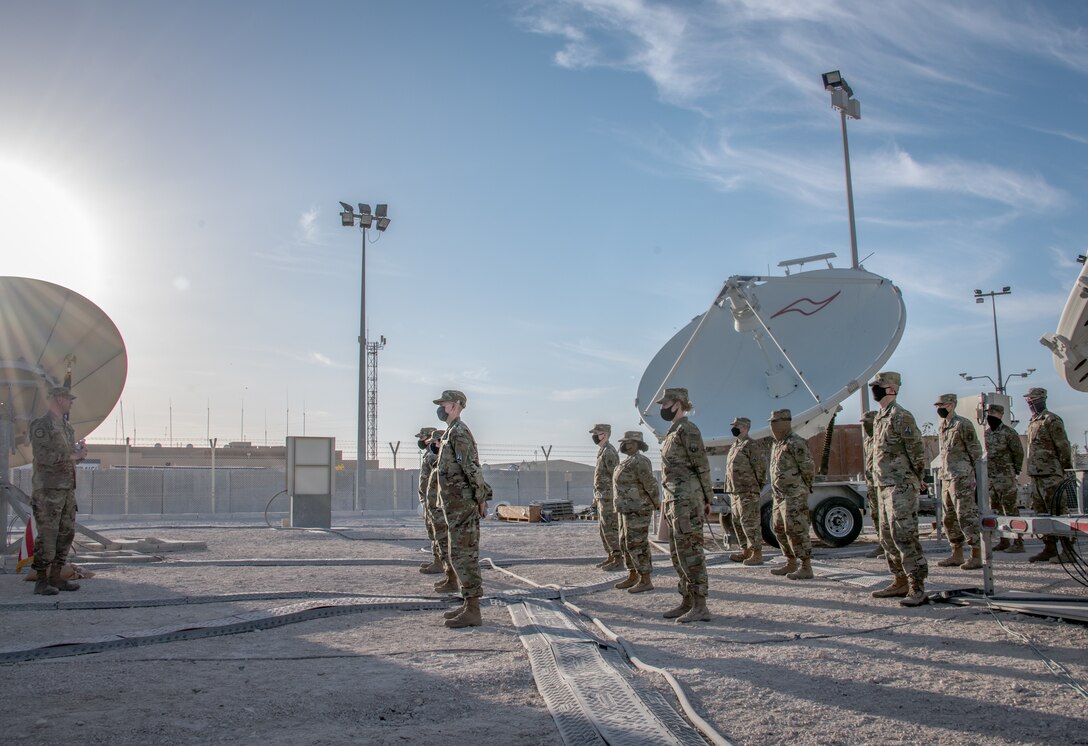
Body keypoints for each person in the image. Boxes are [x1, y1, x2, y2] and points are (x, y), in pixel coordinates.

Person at [868, 372, 929, 607]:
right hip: (883, 484)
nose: (875, 389)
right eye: (874, 386)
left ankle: (917, 585)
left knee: (904, 534)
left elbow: (916, 451)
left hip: (901, 484)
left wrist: (918, 477)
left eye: (879, 386)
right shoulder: (880, 418)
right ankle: (899, 580)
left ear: (891, 388)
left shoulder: (901, 416)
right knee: (886, 535)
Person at [656, 387, 714, 623]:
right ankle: (687, 601)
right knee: (678, 553)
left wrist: (707, 498)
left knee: (691, 552)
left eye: (665, 404)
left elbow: (701, 464)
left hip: (687, 499)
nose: (662, 409)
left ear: (678, 403)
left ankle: (701, 605)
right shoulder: (672, 432)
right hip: (674, 499)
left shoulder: (688, 429)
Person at [433, 390, 491, 628]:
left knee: (465, 555)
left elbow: (472, 468)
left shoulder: (459, 432)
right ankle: (468, 604)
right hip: (453, 504)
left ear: (455, 406)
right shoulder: (449, 432)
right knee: (457, 554)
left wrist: (480, 498)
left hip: (462, 505)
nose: (441, 407)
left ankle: (473, 609)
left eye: (444, 403)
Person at [29, 386, 87, 595]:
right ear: (57, 399)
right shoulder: (41, 426)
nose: (71, 402)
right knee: (48, 536)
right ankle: (41, 581)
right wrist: (71, 456)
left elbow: (68, 458)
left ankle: (56, 577)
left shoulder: (66, 427)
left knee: (65, 535)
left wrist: (79, 455)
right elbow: (43, 457)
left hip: (66, 489)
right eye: (67, 399)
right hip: (48, 491)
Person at [1023, 387, 1074, 563]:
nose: (1030, 403)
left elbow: (1063, 446)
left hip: (1051, 474)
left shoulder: (1051, 420)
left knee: (1059, 512)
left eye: (1034, 399)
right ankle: (1049, 548)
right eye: (1028, 400)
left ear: (1043, 399)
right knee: (1041, 514)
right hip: (1036, 475)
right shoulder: (1033, 421)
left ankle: (1068, 550)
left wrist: (1066, 470)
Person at [933, 393, 984, 571]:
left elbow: (975, 452)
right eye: (937, 405)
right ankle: (957, 553)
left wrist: (977, 478)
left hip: (962, 477)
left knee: (966, 516)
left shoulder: (963, 424)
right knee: (949, 518)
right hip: (947, 477)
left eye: (943, 404)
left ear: (952, 405)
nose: (939, 408)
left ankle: (977, 554)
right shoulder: (943, 426)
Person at [767, 409, 816, 580]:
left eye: (775, 422)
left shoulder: (796, 442)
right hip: (779, 495)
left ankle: (805, 566)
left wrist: (804, 487)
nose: (772, 425)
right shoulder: (777, 444)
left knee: (796, 529)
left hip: (794, 494)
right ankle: (790, 561)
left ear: (785, 422)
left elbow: (808, 468)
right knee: (779, 528)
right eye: (771, 422)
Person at [611, 430, 660, 594]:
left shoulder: (640, 461)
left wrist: (656, 503)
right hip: (626, 508)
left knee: (637, 543)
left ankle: (645, 579)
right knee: (625, 541)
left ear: (636, 443)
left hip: (639, 508)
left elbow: (651, 485)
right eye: (622, 442)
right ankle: (632, 575)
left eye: (627, 442)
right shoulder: (627, 461)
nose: (623, 445)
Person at [725, 416, 769, 566]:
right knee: (737, 522)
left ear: (744, 427)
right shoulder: (735, 445)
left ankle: (757, 553)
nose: (733, 428)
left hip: (748, 491)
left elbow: (761, 468)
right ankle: (745, 551)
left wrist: (756, 486)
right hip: (735, 491)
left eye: (736, 426)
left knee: (749, 522)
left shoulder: (751, 445)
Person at [984, 403, 1025, 553]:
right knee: (997, 511)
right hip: (992, 478)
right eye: (988, 413)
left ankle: (1018, 542)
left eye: (993, 414)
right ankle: (1004, 540)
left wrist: (1015, 471)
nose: (990, 417)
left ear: (1000, 415)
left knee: (1011, 510)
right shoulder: (988, 433)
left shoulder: (1009, 433)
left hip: (1006, 476)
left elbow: (1018, 453)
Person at [590, 424, 622, 570]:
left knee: (610, 528)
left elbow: (616, 476)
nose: (594, 436)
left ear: (605, 434)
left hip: (609, 498)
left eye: (597, 433)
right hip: (602, 497)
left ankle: (618, 558)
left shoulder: (609, 452)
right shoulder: (602, 451)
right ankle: (610, 555)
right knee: (603, 529)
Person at [415, 426, 445, 575]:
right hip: (429, 500)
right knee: (433, 532)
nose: (419, 441)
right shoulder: (430, 454)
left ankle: (440, 563)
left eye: (421, 438)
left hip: (434, 501)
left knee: (438, 532)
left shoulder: (434, 456)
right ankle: (437, 560)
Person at [860, 411, 884, 559]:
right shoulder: (868, 441)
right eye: (863, 423)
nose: (865, 425)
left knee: (887, 517)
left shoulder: (883, 438)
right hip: (872, 482)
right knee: (876, 515)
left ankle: (891, 548)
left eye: (867, 422)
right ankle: (882, 545)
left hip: (884, 483)